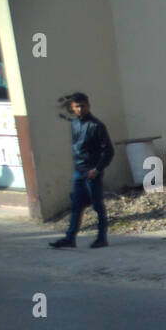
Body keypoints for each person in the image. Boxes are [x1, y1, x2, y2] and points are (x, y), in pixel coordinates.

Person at [50, 92, 114, 249]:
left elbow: (108, 151)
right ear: (72, 107)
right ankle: (70, 238)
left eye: (83, 106)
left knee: (98, 205)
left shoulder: (96, 126)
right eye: (77, 106)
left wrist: (97, 169)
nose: (80, 109)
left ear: (88, 106)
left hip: (91, 172)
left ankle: (102, 238)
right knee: (76, 206)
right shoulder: (74, 124)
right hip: (78, 171)